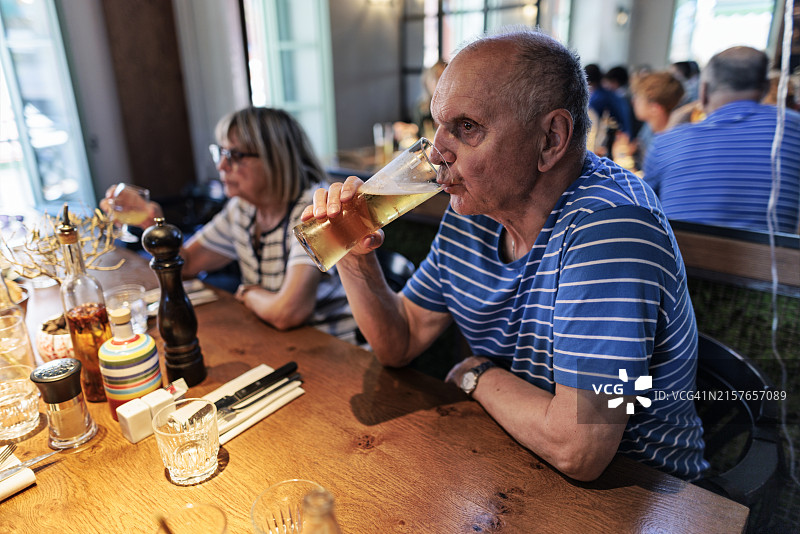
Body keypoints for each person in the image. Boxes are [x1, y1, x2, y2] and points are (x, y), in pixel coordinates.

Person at [304, 29, 707, 482]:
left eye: (467, 127)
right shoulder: (475, 206)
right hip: (519, 465)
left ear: (551, 138)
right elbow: (401, 341)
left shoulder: (609, 225)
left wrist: (478, 375)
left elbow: (580, 448)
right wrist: (354, 251)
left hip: (643, 491)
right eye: (437, 124)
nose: (437, 153)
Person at [102, 107, 359, 344]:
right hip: (280, 341)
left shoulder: (313, 210)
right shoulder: (244, 208)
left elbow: (288, 312)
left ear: (275, 159)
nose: (221, 165)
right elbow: (187, 263)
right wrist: (152, 222)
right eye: (221, 153)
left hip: (334, 346)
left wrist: (248, 293)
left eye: (234, 155)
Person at [644, 47, 800, 234]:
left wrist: (672, 127)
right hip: (769, 262)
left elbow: (644, 207)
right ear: (765, 88)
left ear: (703, 90)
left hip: (681, 261)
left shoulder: (667, 142)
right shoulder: (793, 129)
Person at [630, 70, 685, 167]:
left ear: (655, 108)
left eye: (638, 97)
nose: (633, 101)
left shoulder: (668, 146)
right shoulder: (648, 127)